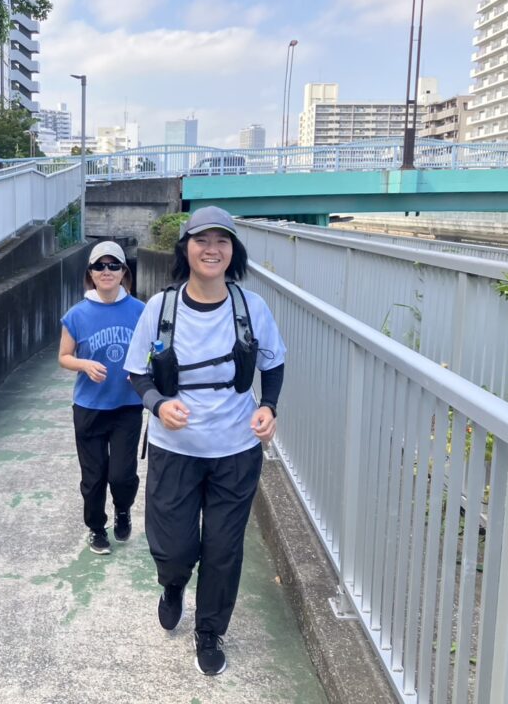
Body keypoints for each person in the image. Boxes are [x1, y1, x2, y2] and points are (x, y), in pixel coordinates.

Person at [124, 206, 286, 676]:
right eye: (202, 240)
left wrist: (268, 406)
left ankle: (210, 630)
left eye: (222, 241)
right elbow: (137, 373)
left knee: (223, 548)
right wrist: (158, 405)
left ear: (233, 251)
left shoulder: (251, 308)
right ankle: (173, 583)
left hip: (235, 449)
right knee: (174, 547)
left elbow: (273, 363)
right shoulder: (161, 308)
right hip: (175, 450)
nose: (212, 249)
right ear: (186, 249)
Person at [59, 242, 145, 555]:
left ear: (124, 272)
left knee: (122, 474)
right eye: (99, 266)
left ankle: (123, 510)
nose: (106, 271)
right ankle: (96, 527)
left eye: (113, 265)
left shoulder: (141, 311)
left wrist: (143, 371)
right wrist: (84, 364)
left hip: (128, 406)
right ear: (90, 274)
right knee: (93, 477)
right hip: (89, 407)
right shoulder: (76, 315)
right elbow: (64, 356)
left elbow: (155, 349)